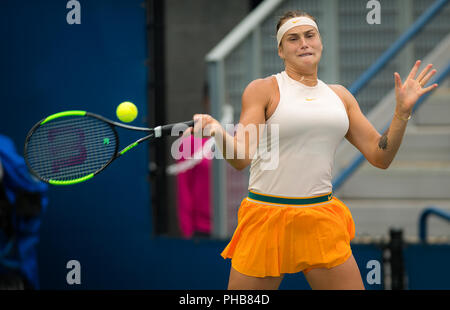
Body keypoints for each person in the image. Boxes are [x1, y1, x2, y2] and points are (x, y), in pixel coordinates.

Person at [184, 10, 438, 290]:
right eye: (293, 38)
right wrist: (219, 132)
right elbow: (241, 158)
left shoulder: (340, 96)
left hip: (320, 218)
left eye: (310, 35)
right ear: (281, 50)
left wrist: (401, 113)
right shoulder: (262, 90)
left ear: (320, 42)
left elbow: (381, 156)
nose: (303, 43)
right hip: (266, 218)